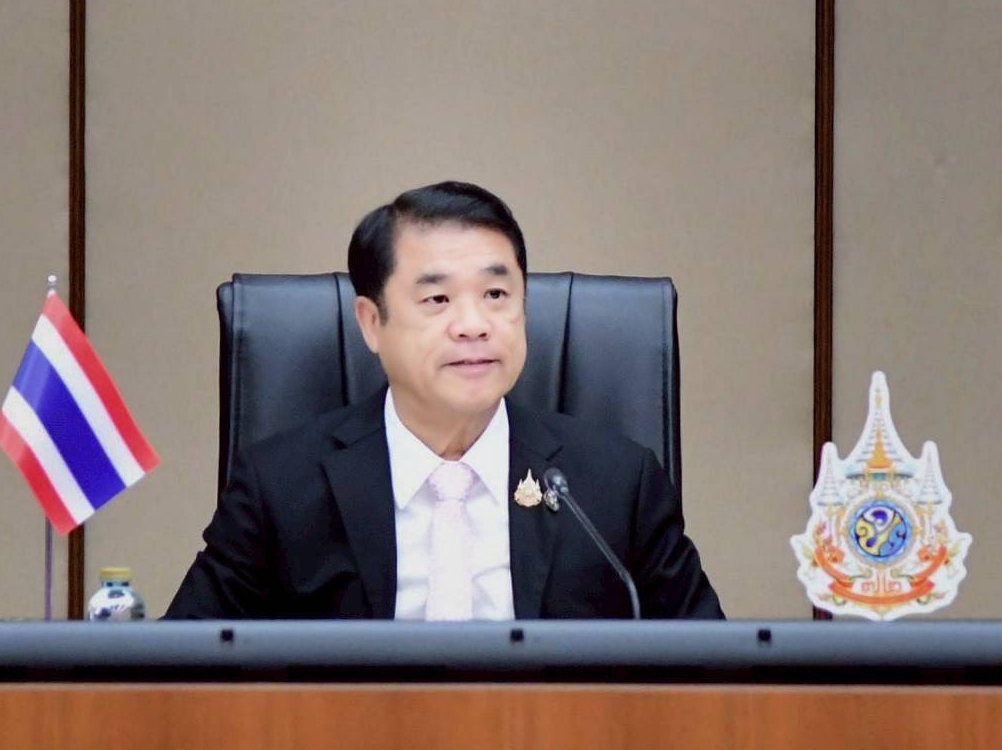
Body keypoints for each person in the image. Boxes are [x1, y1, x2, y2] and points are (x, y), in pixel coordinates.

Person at [165, 181, 723, 620]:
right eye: (437, 299)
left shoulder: (617, 487)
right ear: (372, 323)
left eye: (496, 294)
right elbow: (180, 674)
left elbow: (712, 674)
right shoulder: (279, 488)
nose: (473, 324)